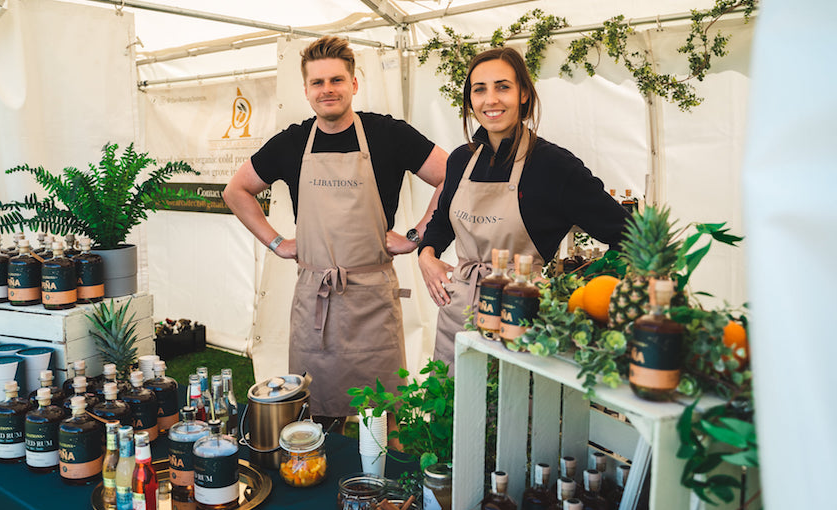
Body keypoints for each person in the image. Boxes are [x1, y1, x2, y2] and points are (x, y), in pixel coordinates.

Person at [223, 36, 447, 429]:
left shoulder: (388, 135)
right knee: (317, 413)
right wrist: (276, 242)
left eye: (337, 80)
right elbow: (235, 191)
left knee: (382, 417)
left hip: (373, 299)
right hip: (316, 303)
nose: (328, 89)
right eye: (318, 83)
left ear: (354, 84)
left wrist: (415, 236)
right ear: (307, 91)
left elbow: (452, 175)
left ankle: (381, 487)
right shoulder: (292, 143)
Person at [418, 47, 628, 372]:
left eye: (503, 87)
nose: (491, 100)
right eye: (480, 89)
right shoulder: (461, 159)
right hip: (457, 316)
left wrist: (578, 293)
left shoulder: (554, 166)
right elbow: (443, 219)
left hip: (522, 317)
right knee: (452, 412)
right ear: (470, 101)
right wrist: (426, 255)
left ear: (525, 95)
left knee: (514, 414)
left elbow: (627, 235)